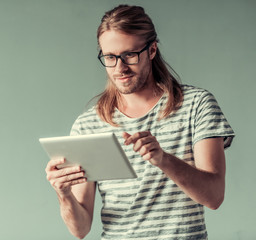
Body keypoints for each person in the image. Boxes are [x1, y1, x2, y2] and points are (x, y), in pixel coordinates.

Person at [45, 4, 235, 240]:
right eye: (110, 57)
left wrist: (164, 160)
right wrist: (63, 194)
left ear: (152, 50)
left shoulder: (197, 105)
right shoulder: (88, 125)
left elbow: (215, 196)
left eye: (129, 55)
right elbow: (80, 229)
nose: (120, 68)